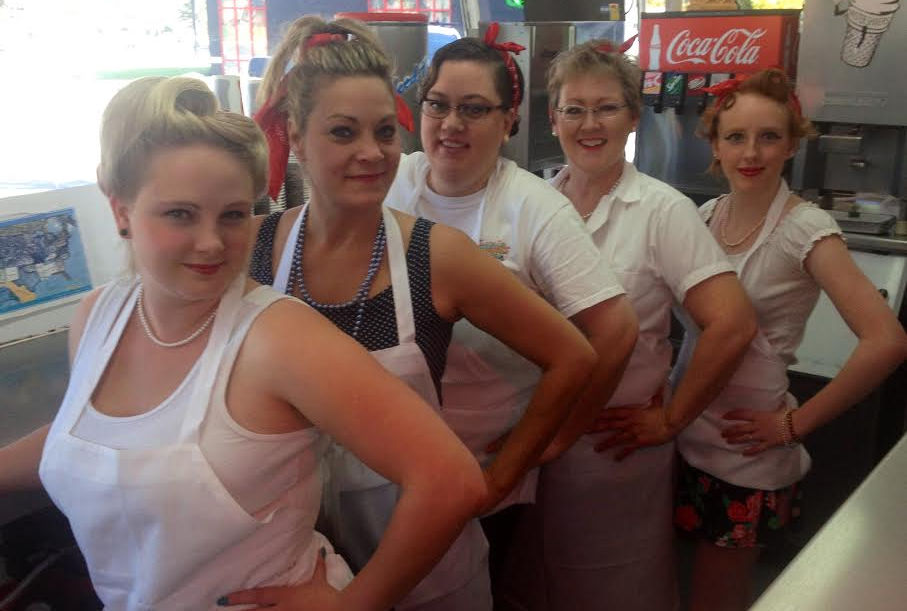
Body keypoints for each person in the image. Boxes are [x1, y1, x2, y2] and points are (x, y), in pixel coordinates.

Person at [0, 75, 489, 611]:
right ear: (120, 211)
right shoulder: (98, 315)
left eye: (233, 215)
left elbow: (450, 479)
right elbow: (100, 434)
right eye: (180, 214)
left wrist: (356, 606)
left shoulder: (277, 337)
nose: (212, 242)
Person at [247, 16, 598, 611]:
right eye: (342, 132)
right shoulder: (253, 249)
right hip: (297, 561)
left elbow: (575, 354)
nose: (371, 152)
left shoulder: (434, 254)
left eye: (386, 131)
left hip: (425, 572)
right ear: (296, 138)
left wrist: (502, 477)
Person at [496, 39, 757, 611]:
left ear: (634, 116)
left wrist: (670, 417)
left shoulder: (662, 210)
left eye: (607, 108)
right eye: (574, 109)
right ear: (554, 117)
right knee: (531, 583)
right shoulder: (533, 199)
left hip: (611, 451)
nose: (590, 124)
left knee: (611, 587)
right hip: (529, 437)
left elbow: (732, 324)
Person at [384, 26, 640, 595]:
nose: (451, 125)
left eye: (474, 109)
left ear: (508, 120)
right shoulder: (391, 180)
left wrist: (549, 441)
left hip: (485, 464)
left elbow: (616, 332)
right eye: (439, 105)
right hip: (388, 453)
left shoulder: (535, 208)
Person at [672, 68, 907, 611]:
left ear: (792, 144)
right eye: (735, 137)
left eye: (769, 136)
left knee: (715, 597)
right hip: (688, 433)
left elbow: (886, 340)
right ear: (714, 145)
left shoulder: (806, 228)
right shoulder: (707, 217)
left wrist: (791, 425)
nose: (751, 152)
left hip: (746, 453)